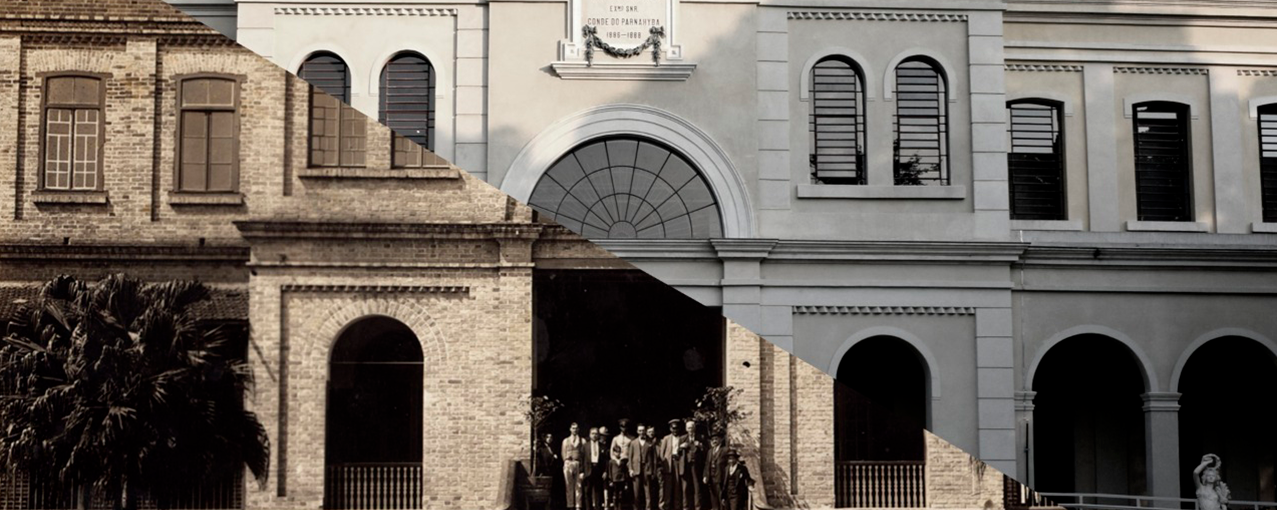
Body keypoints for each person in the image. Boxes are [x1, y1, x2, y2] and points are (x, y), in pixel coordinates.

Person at [658, 419, 688, 510]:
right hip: (669, 464)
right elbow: (661, 454)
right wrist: (664, 466)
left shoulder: (682, 438)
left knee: (678, 486)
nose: (675, 430)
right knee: (667, 487)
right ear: (670, 429)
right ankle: (665, 506)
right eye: (673, 428)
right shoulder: (666, 438)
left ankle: (677, 506)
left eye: (677, 428)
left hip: (678, 463)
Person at [629, 424, 658, 510]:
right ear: (637, 431)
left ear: (645, 431)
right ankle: (636, 508)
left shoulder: (650, 442)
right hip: (636, 468)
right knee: (636, 492)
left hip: (647, 468)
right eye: (640, 430)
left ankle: (648, 508)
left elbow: (654, 458)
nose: (641, 432)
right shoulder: (633, 443)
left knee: (647, 491)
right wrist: (630, 469)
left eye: (643, 430)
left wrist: (654, 471)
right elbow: (630, 457)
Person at [610, 419, 636, 510]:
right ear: (619, 427)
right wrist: (617, 461)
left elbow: (634, 452)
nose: (623, 428)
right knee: (617, 486)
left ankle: (630, 505)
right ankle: (617, 506)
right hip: (618, 464)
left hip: (628, 463)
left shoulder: (632, 438)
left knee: (629, 485)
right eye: (622, 426)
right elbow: (611, 453)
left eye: (625, 426)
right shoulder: (616, 438)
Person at [563, 422, 587, 510]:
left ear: (579, 429)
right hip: (568, 463)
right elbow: (563, 453)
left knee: (578, 486)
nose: (575, 430)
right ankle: (570, 505)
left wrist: (582, 468)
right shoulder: (565, 441)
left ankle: (578, 506)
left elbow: (584, 455)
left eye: (576, 428)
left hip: (578, 463)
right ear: (570, 429)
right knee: (569, 485)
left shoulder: (582, 440)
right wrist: (566, 461)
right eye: (573, 428)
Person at [683, 420, 705, 510]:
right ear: (686, 429)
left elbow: (706, 452)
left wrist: (700, 446)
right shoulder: (682, 438)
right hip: (685, 465)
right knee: (686, 487)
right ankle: (686, 506)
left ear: (694, 428)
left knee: (697, 487)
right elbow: (676, 453)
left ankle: (697, 507)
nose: (690, 429)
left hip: (696, 465)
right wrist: (681, 447)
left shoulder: (701, 437)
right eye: (688, 428)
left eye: (692, 427)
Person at [585, 427, 607, 510]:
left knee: (598, 491)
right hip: (588, 470)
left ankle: (597, 508)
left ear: (598, 435)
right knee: (587, 492)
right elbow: (581, 459)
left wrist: (605, 471)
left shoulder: (603, 446)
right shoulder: (585, 446)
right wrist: (581, 471)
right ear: (590, 435)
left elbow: (605, 460)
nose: (594, 435)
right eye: (592, 433)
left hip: (598, 470)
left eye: (596, 434)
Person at [702, 435, 726, 510]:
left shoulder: (725, 450)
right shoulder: (710, 451)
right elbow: (707, 464)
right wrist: (705, 476)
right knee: (713, 496)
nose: (714, 441)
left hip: (720, 477)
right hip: (711, 477)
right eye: (712, 440)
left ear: (720, 440)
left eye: (716, 439)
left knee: (721, 496)